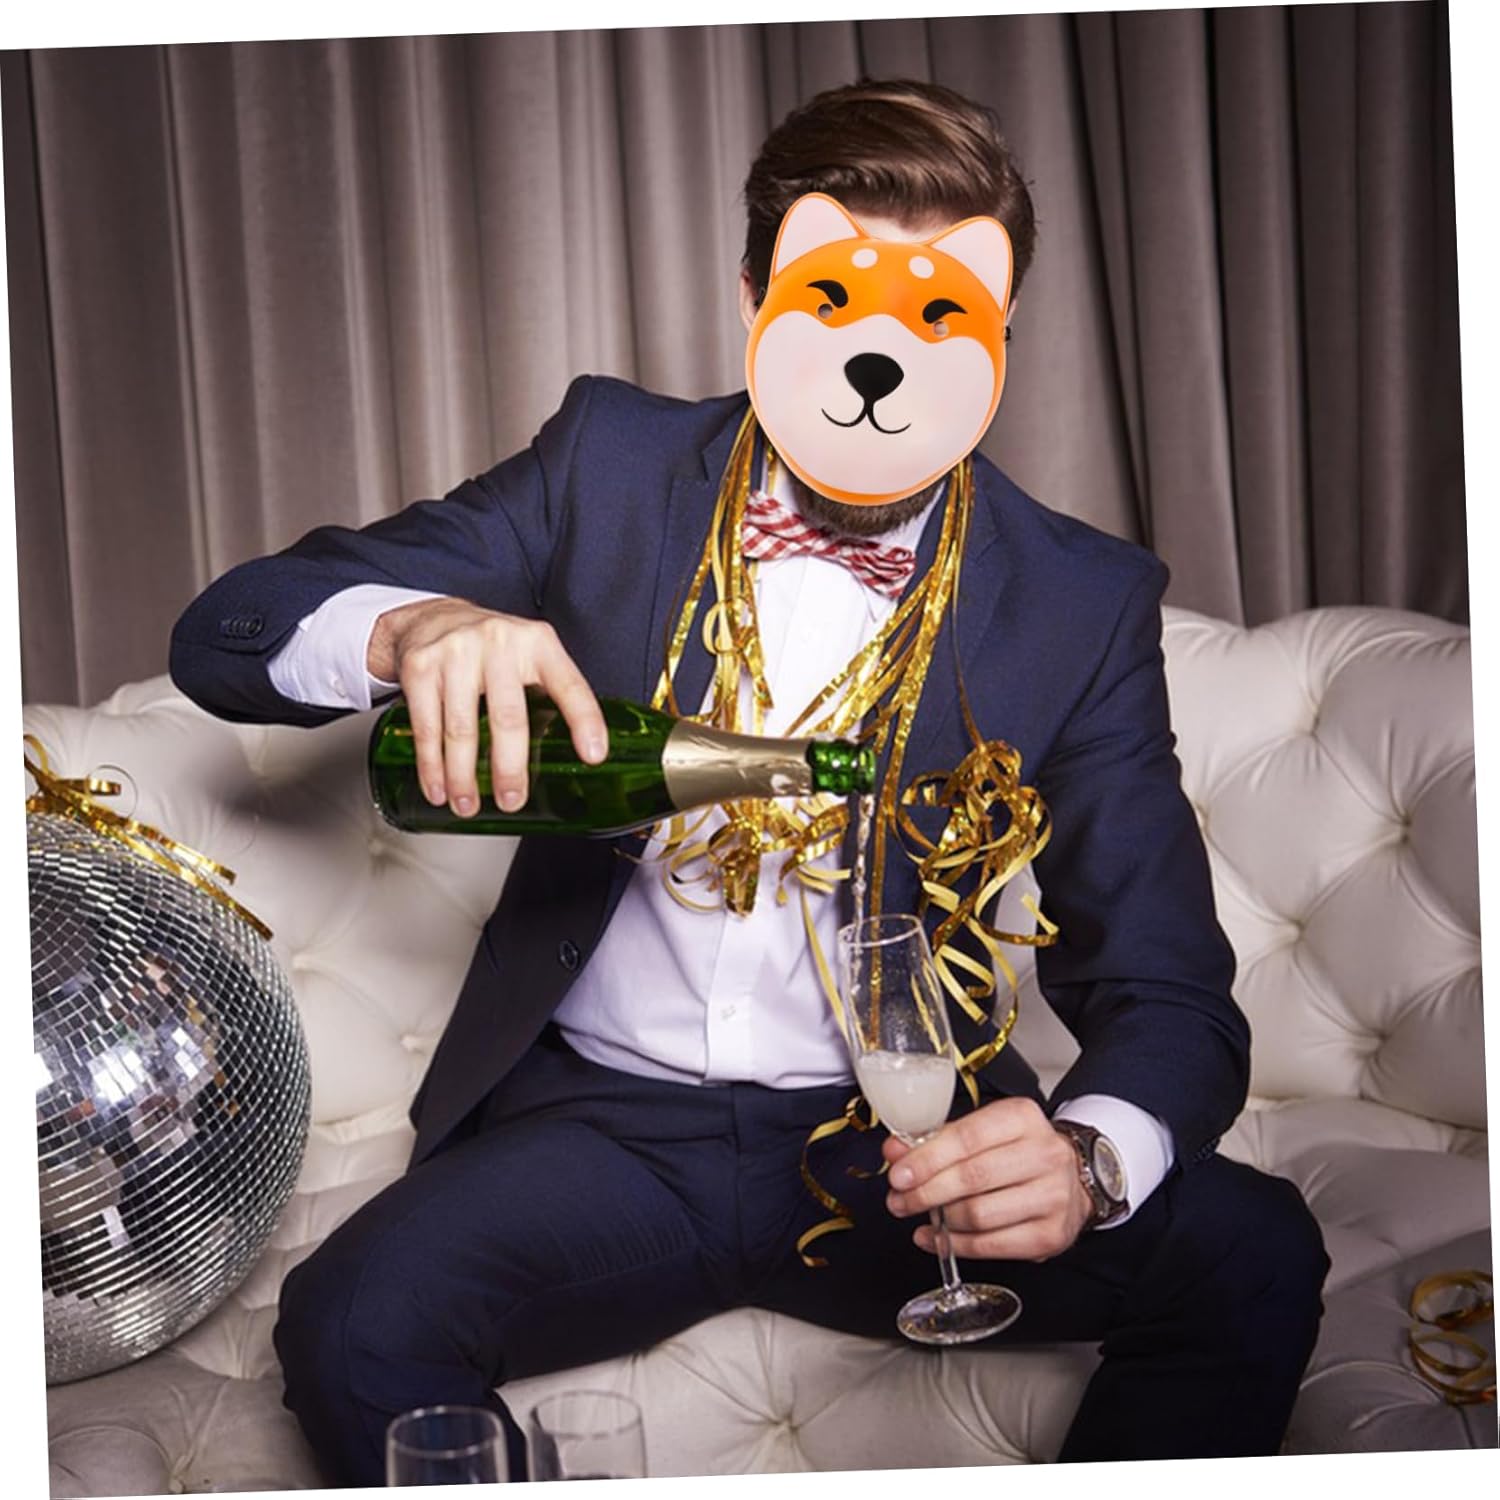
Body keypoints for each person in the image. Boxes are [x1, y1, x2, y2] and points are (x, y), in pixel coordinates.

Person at [169, 78, 1329, 1483]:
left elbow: (1168, 993)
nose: (882, 357)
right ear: (753, 298)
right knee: (353, 1326)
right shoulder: (610, 465)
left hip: (897, 1144)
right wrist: (410, 624)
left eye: (944, 316)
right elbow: (228, 631)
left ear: (1000, 334)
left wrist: (1087, 1158)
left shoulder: (1077, 599)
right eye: (834, 299)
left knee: (1256, 1250)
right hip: (601, 1131)